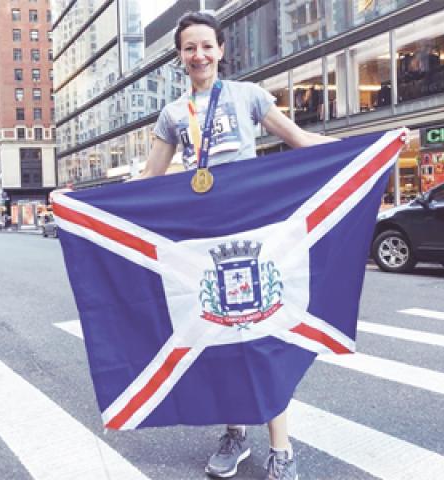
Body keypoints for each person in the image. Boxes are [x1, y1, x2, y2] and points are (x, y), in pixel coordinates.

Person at [138, 11, 338, 480]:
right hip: (204, 241)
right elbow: (148, 180)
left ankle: (281, 450)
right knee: (219, 335)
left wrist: (378, 142)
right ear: (180, 56)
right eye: (190, 48)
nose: (199, 54)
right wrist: (79, 200)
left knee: (264, 335)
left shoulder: (248, 96)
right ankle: (235, 434)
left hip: (255, 235)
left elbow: (301, 140)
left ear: (220, 50)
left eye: (207, 45)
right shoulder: (171, 115)